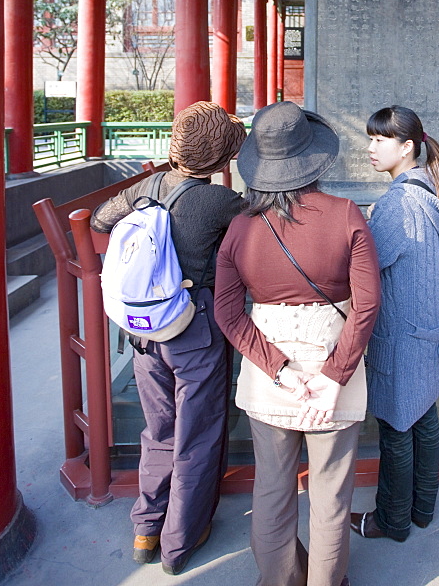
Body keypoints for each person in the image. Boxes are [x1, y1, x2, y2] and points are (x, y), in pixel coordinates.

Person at [214, 101, 381, 586]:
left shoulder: (240, 228)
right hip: (336, 365)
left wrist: (281, 369)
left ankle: (279, 580)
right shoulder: (346, 214)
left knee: (271, 491)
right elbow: (367, 304)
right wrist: (331, 378)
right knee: (330, 498)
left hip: (270, 376)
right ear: (313, 158)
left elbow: (228, 312)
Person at [91, 101, 246, 575]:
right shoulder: (221, 202)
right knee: (197, 432)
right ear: (221, 161)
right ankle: (180, 541)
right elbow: (260, 235)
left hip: (143, 333)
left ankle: (146, 526)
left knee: (159, 428)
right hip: (193, 332)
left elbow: (100, 219)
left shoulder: (148, 186)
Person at [350, 105, 439, 543]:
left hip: (402, 334)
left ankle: (392, 521)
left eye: (380, 140)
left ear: (407, 146)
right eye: (371, 138)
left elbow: (367, 265)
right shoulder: (432, 191)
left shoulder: (398, 202)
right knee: (424, 419)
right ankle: (422, 510)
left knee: (397, 427)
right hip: (431, 331)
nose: (371, 148)